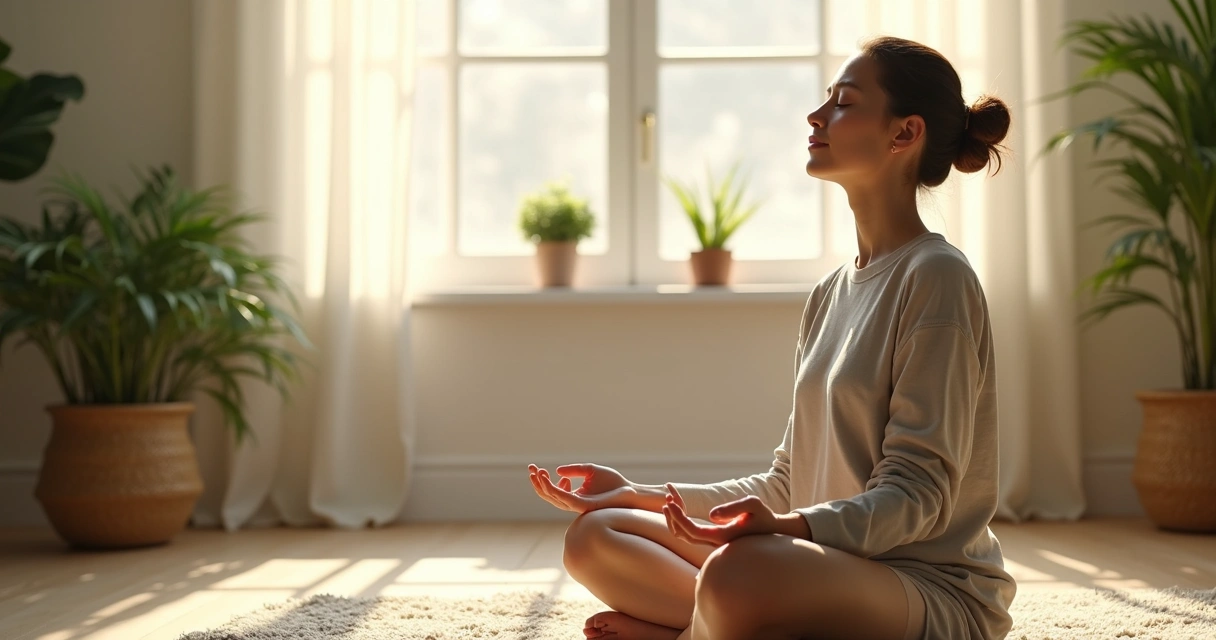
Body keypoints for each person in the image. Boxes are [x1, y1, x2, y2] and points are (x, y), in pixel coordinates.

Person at [527, 35, 1016, 640]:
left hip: (923, 588)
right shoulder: (829, 293)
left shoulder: (937, 277)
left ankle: (692, 632)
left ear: (904, 133)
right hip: (817, 566)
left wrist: (787, 531)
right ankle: (713, 626)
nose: (816, 115)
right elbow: (787, 482)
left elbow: (917, 496)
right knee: (597, 534)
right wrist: (638, 494)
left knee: (739, 571)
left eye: (843, 102)